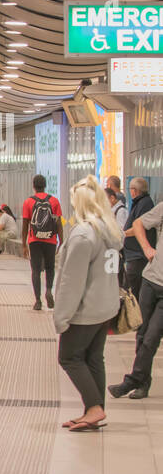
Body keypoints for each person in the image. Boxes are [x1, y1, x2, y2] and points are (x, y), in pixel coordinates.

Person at [53, 176, 124, 431]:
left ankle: (93, 407)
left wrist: (61, 316)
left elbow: (72, 282)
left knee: (69, 357)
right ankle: (94, 410)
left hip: (85, 311)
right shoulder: (111, 231)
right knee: (94, 358)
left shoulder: (84, 235)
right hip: (105, 307)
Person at [110, 193, 163, 401]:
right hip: (151, 281)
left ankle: (132, 380)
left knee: (151, 337)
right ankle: (143, 383)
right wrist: (147, 248)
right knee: (141, 335)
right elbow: (139, 224)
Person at [22, 174, 63, 311]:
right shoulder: (54, 201)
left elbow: (25, 224)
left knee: (36, 269)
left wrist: (24, 244)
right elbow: (58, 223)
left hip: (34, 240)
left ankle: (38, 301)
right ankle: (49, 290)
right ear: (45, 185)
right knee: (50, 268)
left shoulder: (28, 202)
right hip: (50, 239)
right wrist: (61, 241)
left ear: (34, 186)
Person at [122, 177, 156, 300]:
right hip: (134, 255)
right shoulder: (140, 203)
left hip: (138, 255)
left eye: (130, 189)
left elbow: (140, 225)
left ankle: (134, 317)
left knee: (130, 289)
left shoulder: (145, 203)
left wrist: (123, 234)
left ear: (135, 190)